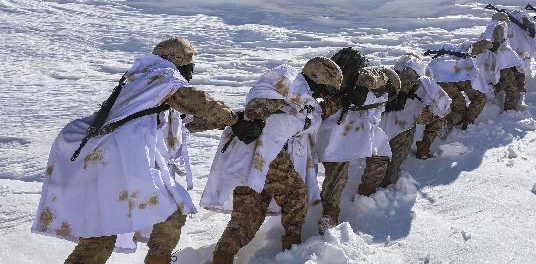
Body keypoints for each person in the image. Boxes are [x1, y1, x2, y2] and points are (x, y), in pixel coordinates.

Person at [32, 37, 237, 264]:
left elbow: (185, 122)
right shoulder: (163, 76)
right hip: (120, 162)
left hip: (102, 163)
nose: (191, 72)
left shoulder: (141, 84)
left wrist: (227, 121)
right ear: (177, 62)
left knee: (102, 232)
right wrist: (234, 119)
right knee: (172, 212)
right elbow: (197, 102)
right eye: (190, 66)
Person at [205, 57, 343, 263]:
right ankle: (292, 254)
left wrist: (342, 99)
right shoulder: (289, 78)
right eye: (327, 90)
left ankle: (222, 256)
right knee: (296, 197)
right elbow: (261, 98)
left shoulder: (307, 101)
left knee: (247, 216)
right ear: (319, 79)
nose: (324, 95)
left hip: (257, 155)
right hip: (263, 151)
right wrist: (258, 116)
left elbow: (316, 111)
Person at [315, 47, 391, 234]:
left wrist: (364, 87)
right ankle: (335, 211)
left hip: (357, 132)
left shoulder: (367, 80)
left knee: (378, 157)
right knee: (339, 169)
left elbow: (385, 81)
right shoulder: (328, 87)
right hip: (338, 134)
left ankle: (363, 198)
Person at [366, 53, 451, 188]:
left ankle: (370, 189)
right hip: (405, 123)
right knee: (395, 158)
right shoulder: (423, 78)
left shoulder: (393, 73)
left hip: (379, 121)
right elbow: (443, 105)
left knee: (379, 151)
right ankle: (424, 146)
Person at [418, 39, 491, 159]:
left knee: (436, 112)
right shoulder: (467, 67)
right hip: (447, 88)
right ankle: (446, 126)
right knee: (459, 111)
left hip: (431, 85)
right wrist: (469, 118)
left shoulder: (445, 56)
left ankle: (425, 142)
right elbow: (478, 98)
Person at [478, 13, 528, 111]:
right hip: (501, 64)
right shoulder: (498, 28)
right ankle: (509, 111)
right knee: (512, 89)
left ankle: (495, 89)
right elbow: (498, 47)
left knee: (506, 80)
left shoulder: (487, 30)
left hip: (491, 64)